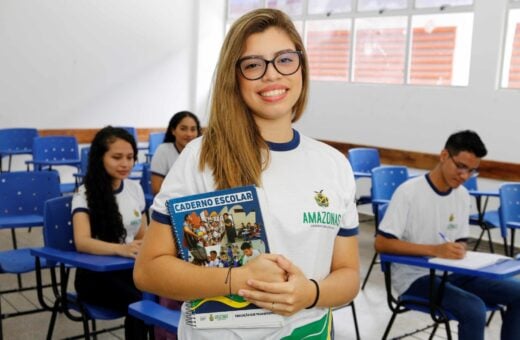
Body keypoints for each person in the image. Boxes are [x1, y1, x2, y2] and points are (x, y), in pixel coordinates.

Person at [134, 8, 360, 339]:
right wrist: (237, 279)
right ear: (234, 77)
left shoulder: (333, 164)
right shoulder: (203, 156)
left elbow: (348, 274)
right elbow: (149, 270)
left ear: (301, 67)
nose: (272, 75)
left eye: (284, 59)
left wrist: (309, 293)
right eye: (253, 65)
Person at [375, 130, 520, 340]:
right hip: (415, 278)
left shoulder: (462, 195)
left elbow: (459, 238)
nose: (464, 176)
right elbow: (381, 243)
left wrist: (458, 248)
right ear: (444, 156)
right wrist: (434, 250)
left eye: (471, 171)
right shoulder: (409, 192)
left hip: (451, 273)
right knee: (474, 309)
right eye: (461, 166)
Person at [72, 126, 148, 339]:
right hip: (96, 277)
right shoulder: (84, 193)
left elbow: (143, 235)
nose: (125, 164)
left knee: (165, 295)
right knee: (141, 303)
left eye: (130, 157)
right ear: (100, 158)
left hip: (129, 270)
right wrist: (121, 249)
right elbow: (82, 242)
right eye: (117, 157)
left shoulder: (135, 189)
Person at [150, 111, 201, 194]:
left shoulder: (201, 153)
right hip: (172, 203)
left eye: (193, 129)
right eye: (183, 129)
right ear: (173, 130)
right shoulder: (163, 151)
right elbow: (156, 189)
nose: (189, 134)